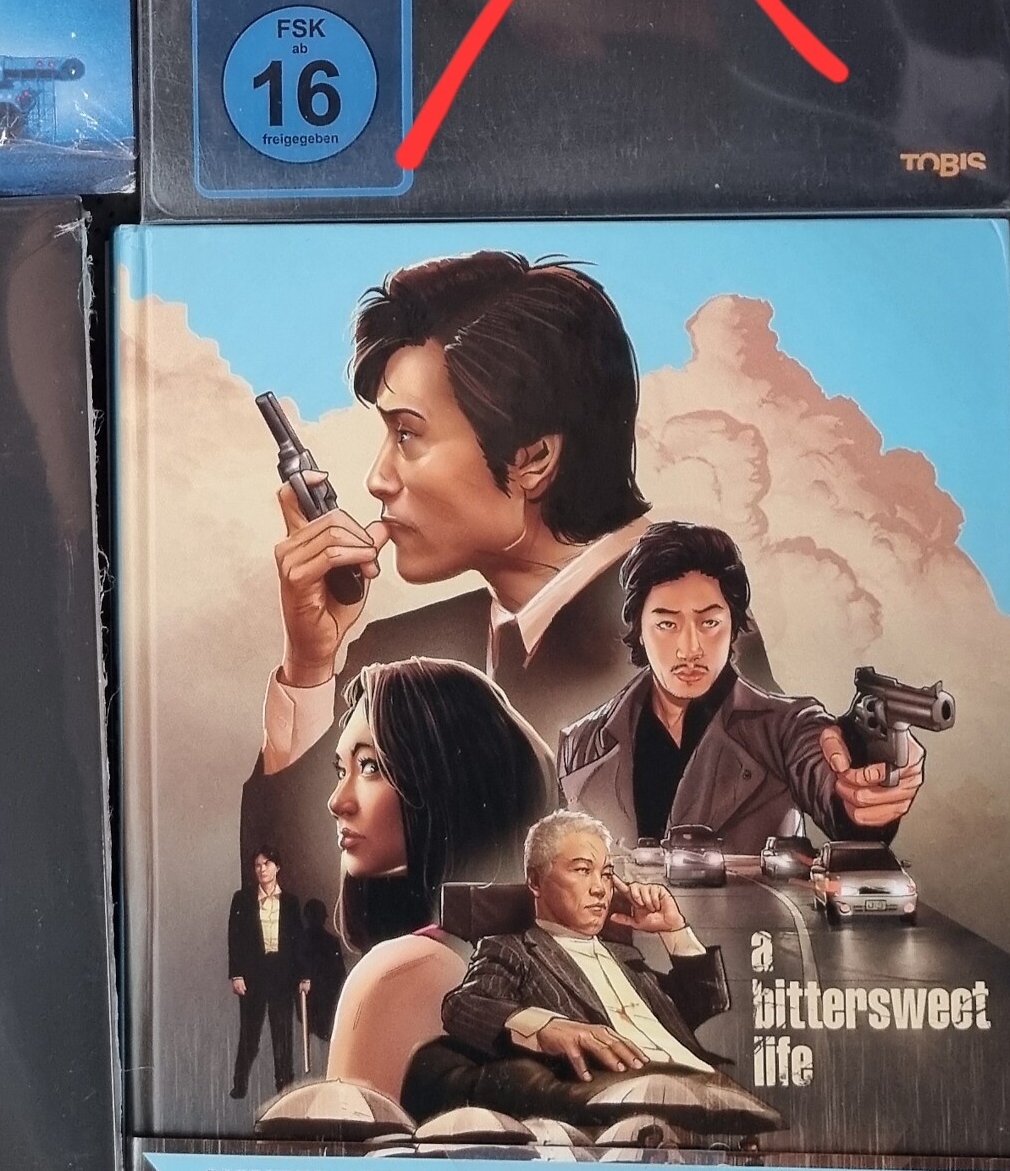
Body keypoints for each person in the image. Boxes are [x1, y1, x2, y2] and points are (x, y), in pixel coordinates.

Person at [242, 250, 777, 908]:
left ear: (534, 458)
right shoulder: (388, 653)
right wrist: (309, 665)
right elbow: (286, 911)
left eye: (407, 435)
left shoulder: (695, 647)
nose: (378, 479)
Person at [559, 520, 924, 850]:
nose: (690, 649)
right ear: (639, 629)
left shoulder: (784, 727)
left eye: (709, 623)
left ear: (733, 624)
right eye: (667, 624)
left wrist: (866, 767)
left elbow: (826, 770)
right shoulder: (581, 744)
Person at [321, 658, 553, 1102]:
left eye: (369, 766)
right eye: (341, 770)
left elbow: (345, 1148)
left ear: (448, 779)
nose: (337, 801)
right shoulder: (523, 953)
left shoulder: (398, 975)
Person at [404, 811, 729, 1125]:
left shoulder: (624, 956)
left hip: (708, 1085)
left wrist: (674, 931)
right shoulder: (514, 950)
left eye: (606, 874)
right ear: (535, 881)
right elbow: (463, 1005)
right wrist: (546, 1026)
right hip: (631, 1099)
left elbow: (703, 1005)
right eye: (583, 870)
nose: (600, 888)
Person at [226, 850, 308, 1100]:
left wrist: (304, 976)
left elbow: (298, 940)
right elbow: (234, 937)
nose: (261, 869)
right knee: (249, 1033)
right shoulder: (242, 899)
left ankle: (284, 1088)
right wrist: (236, 974)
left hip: (281, 974)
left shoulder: (290, 901)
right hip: (253, 974)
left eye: (267, 863)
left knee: (282, 1034)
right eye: (257, 865)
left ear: (277, 867)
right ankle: (240, 1084)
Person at [298, 901, 347, 1074]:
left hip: (314, 1005)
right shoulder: (330, 942)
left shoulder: (300, 942)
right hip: (324, 1003)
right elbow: (340, 975)